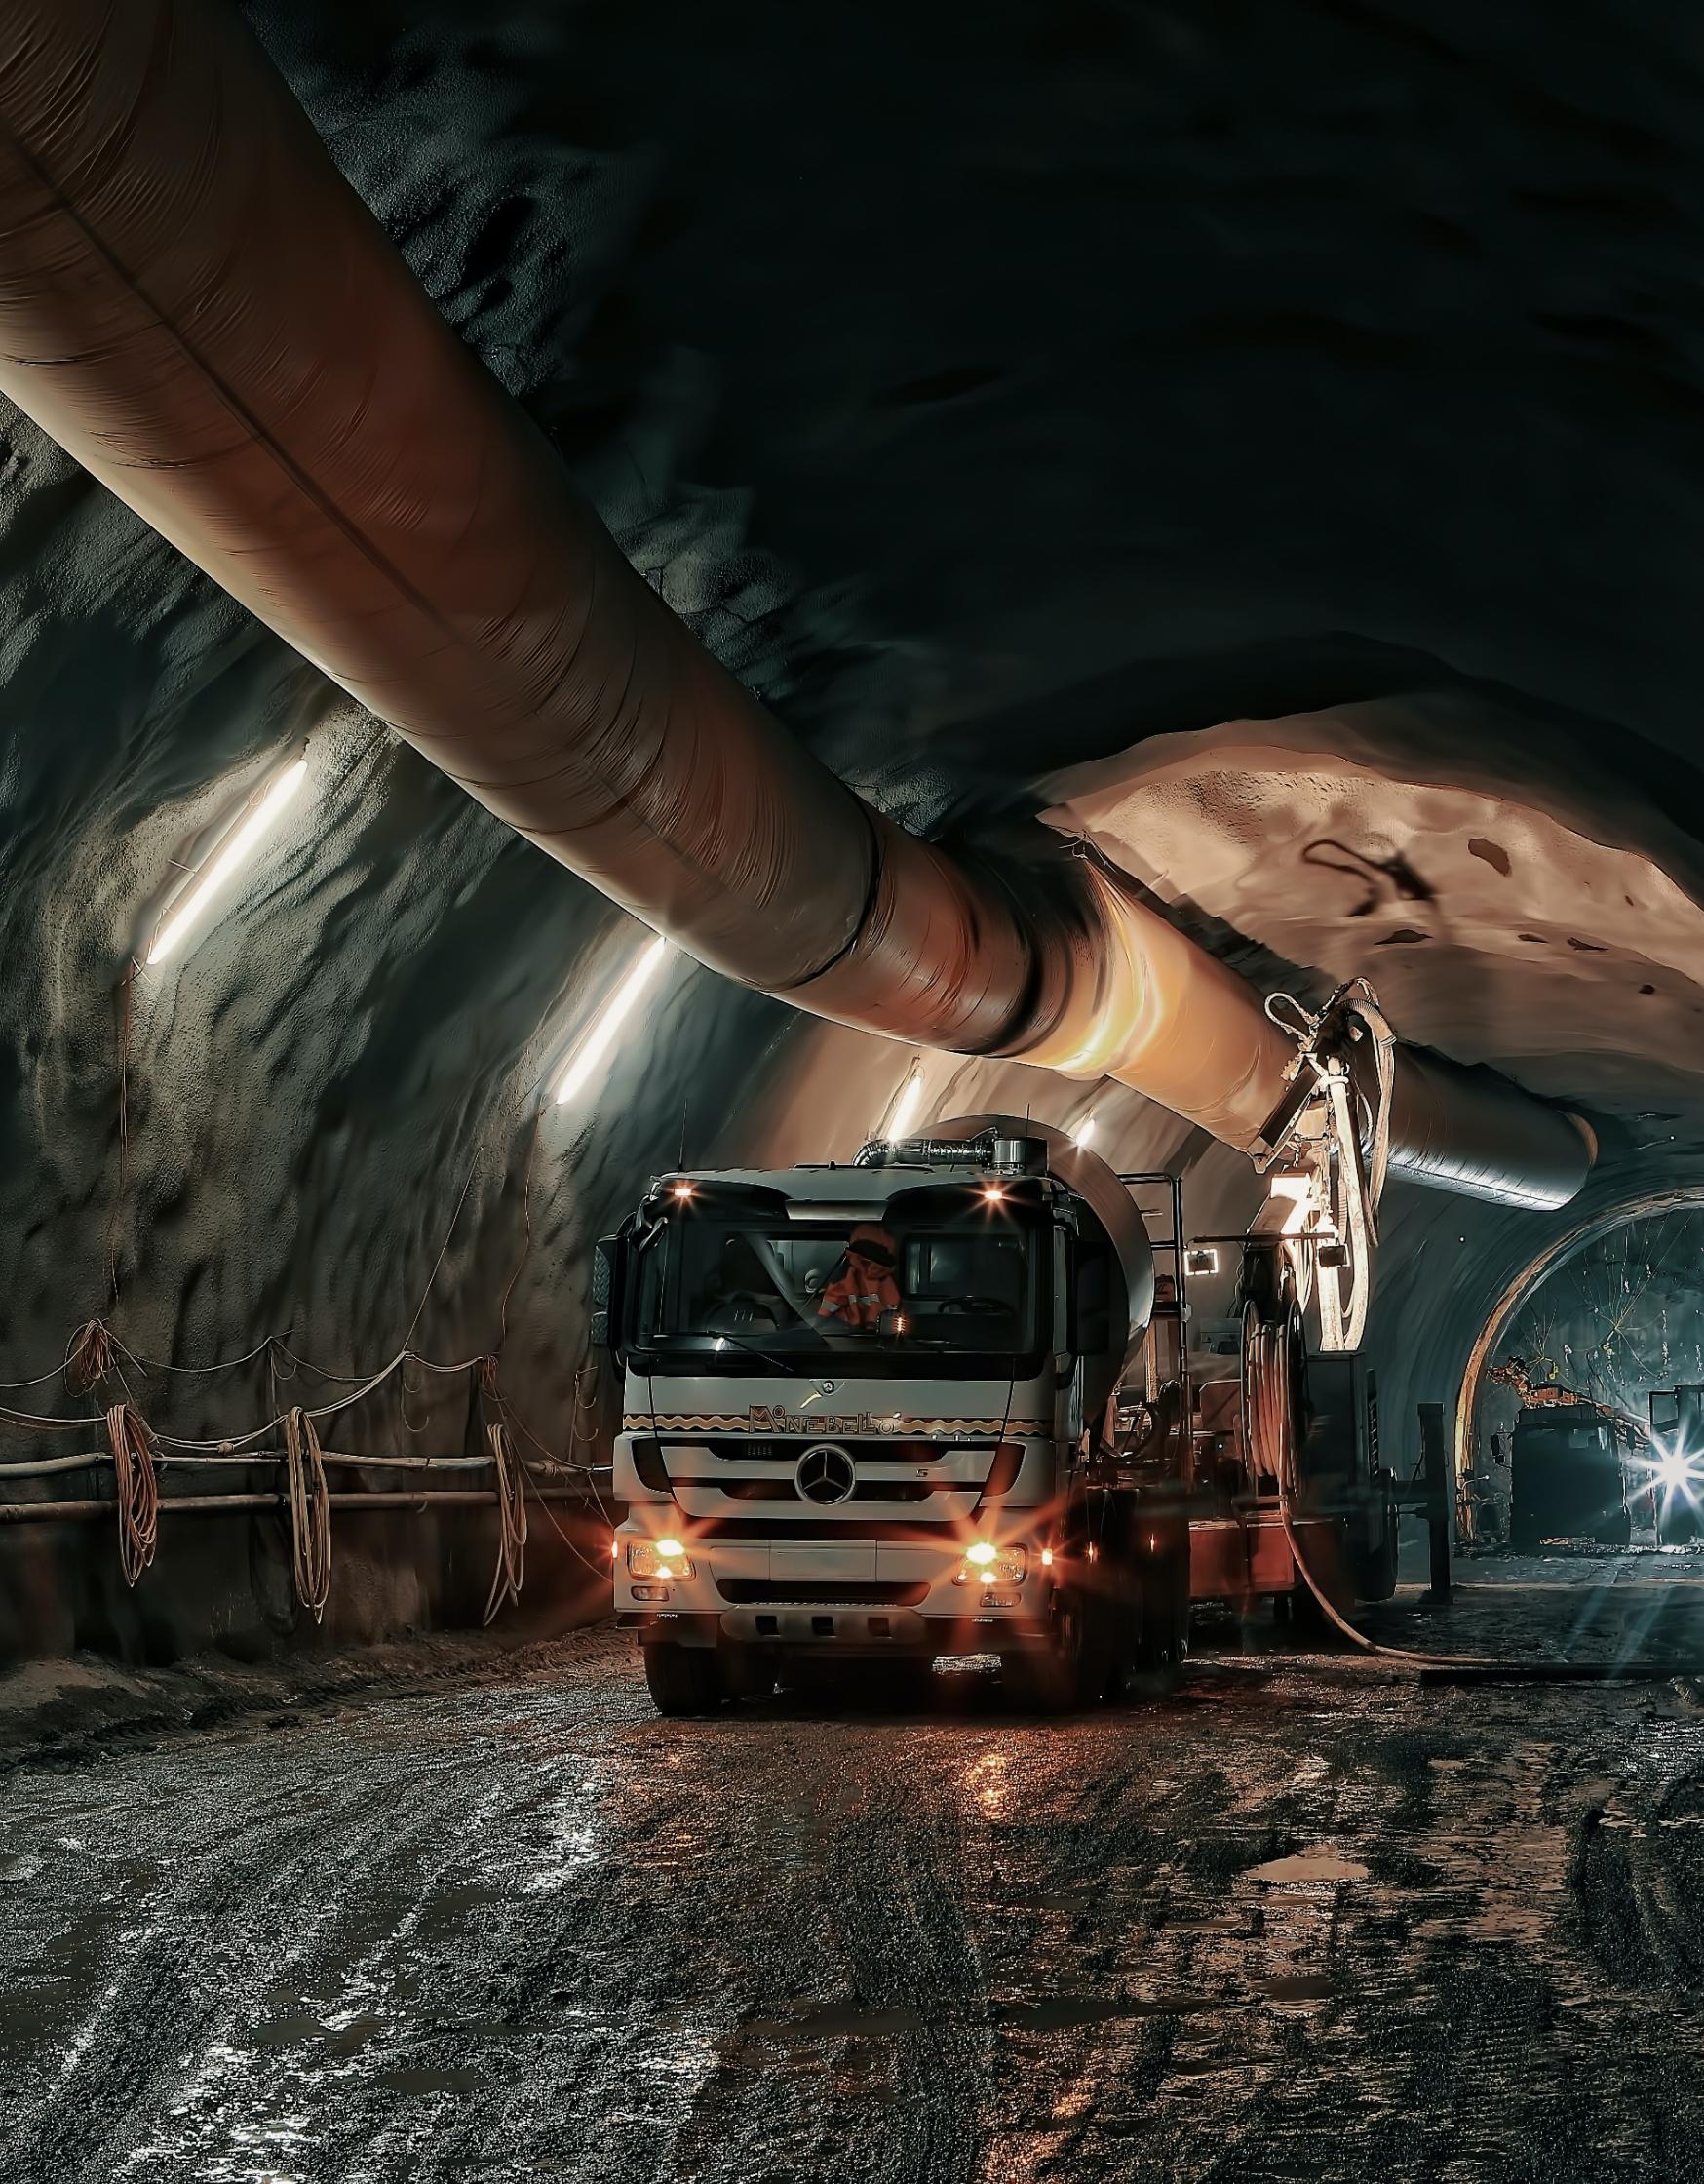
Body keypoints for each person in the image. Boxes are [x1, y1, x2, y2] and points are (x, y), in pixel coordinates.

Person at [817, 1223, 901, 1331]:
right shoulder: (888, 1280)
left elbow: (834, 1298)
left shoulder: (850, 1274)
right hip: (870, 1333)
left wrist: (819, 1320)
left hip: (856, 1332)